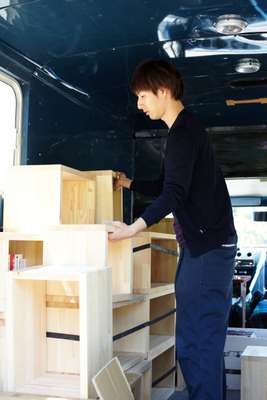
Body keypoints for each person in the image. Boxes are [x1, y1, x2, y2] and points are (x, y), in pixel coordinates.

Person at [109, 59, 237, 400]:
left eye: (143, 96)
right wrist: (130, 183)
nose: (139, 104)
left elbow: (173, 193)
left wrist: (131, 228)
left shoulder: (183, 132)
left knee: (197, 341)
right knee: (203, 339)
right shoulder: (185, 129)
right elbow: (169, 184)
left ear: (163, 91)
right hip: (206, 248)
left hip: (207, 249)